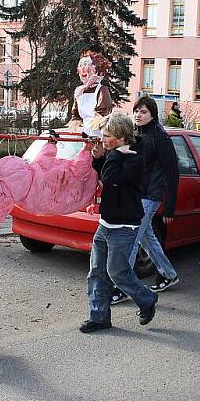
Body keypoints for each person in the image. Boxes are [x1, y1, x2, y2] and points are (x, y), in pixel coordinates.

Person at [80, 113, 158, 333]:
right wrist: (99, 159)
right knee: (96, 272)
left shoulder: (135, 159)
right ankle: (99, 316)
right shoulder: (118, 156)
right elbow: (108, 177)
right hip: (106, 224)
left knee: (118, 273)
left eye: (107, 136)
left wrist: (112, 155)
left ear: (121, 137)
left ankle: (147, 298)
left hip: (124, 226)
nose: (103, 139)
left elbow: (112, 179)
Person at [110, 97, 180, 304]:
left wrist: (170, 207)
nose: (138, 115)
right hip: (136, 194)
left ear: (153, 114)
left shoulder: (161, 137)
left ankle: (123, 287)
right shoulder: (135, 135)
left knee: (131, 240)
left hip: (150, 196)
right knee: (146, 238)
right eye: (136, 111)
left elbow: (172, 172)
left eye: (143, 112)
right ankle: (168, 274)